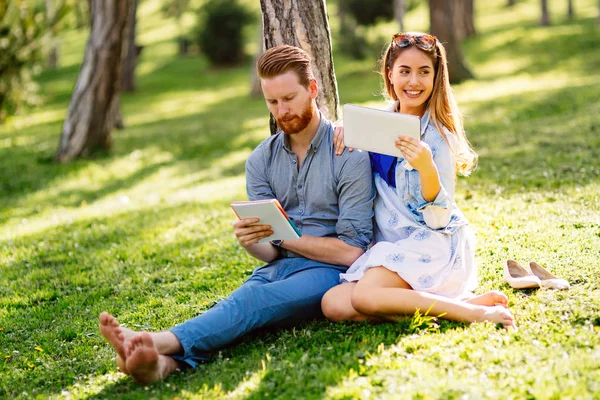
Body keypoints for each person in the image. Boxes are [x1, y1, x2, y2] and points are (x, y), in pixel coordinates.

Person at [98, 45, 375, 384]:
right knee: (239, 309)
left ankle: (159, 339)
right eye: (272, 103)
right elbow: (270, 250)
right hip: (278, 266)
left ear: (313, 89)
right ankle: (160, 366)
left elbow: (351, 252)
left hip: (331, 273)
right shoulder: (260, 160)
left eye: (289, 98)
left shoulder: (349, 156)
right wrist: (251, 243)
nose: (281, 111)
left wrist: (287, 238)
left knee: (253, 301)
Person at [321, 32, 516, 330]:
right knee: (333, 303)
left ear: (436, 78)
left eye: (424, 72)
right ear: (390, 75)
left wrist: (426, 168)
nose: (414, 81)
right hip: (392, 247)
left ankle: (472, 315)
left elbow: (439, 220)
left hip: (431, 245)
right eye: (405, 71)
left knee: (364, 296)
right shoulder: (375, 124)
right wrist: (345, 126)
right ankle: (456, 306)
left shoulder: (438, 138)